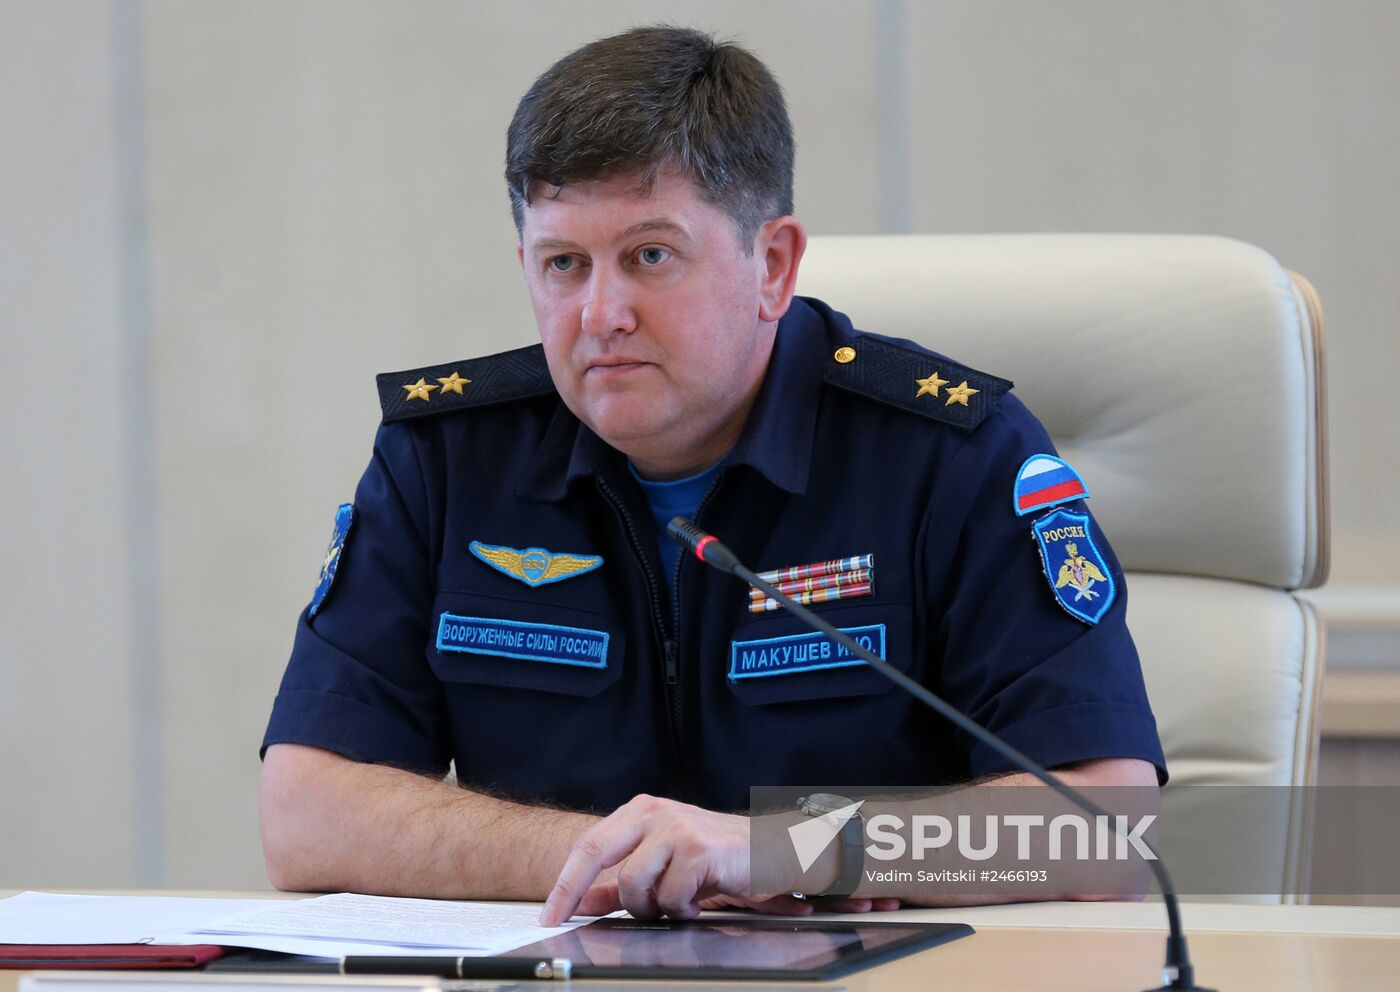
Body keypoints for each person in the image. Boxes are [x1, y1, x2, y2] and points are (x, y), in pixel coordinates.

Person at [259, 25, 1165, 925]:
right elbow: (304, 815)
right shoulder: (449, 459)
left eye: (649, 256)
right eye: (564, 265)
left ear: (772, 265)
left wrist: (784, 849)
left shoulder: (950, 455)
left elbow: (1103, 827)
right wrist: (621, 858)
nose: (601, 314)